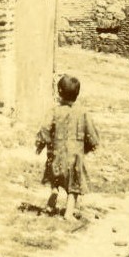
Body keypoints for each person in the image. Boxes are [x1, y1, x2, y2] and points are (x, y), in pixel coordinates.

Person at [35, 74, 100, 219]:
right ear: (77, 94)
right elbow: (90, 133)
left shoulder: (54, 111)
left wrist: (40, 144)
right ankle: (68, 213)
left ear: (59, 92)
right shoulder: (83, 113)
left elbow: (45, 129)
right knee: (73, 187)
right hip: (75, 156)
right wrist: (92, 145)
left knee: (54, 176)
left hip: (56, 152)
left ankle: (53, 193)